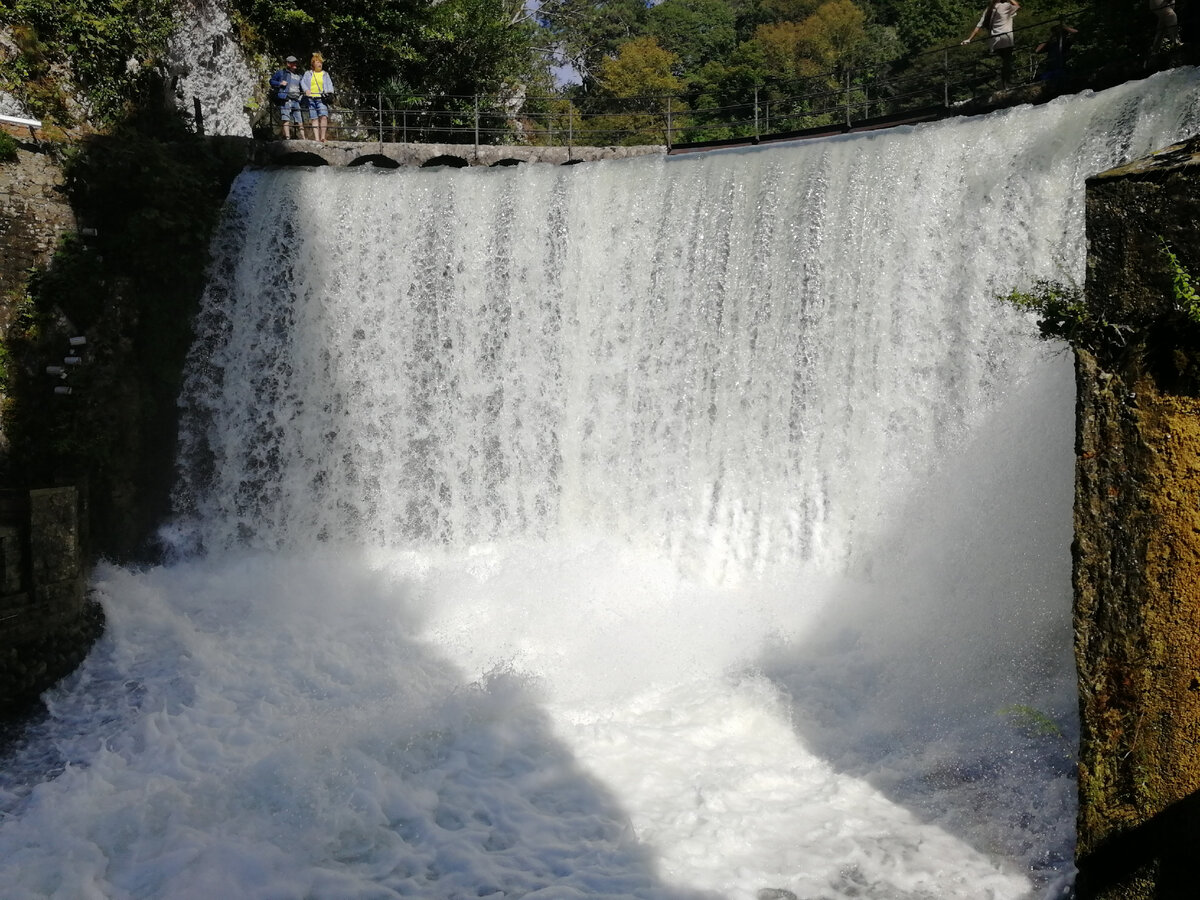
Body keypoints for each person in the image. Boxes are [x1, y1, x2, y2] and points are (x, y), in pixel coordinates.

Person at [962, 0, 1022, 89]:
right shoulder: (1005, 6)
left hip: (994, 41)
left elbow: (978, 26)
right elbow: (1018, 6)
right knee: (1008, 62)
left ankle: (1004, 83)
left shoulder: (988, 10)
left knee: (1004, 61)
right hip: (1006, 39)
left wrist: (969, 39)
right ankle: (1006, 83)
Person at [301, 53, 336, 143]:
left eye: (320, 62)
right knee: (314, 117)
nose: (319, 64)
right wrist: (306, 90)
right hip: (311, 97)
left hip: (321, 98)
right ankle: (316, 138)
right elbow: (303, 82)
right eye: (317, 62)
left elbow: (329, 84)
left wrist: (329, 92)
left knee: (324, 116)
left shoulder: (325, 74)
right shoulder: (308, 73)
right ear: (313, 64)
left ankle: (322, 137)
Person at [269, 55, 304, 140]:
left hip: (296, 100)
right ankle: (287, 137)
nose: (295, 64)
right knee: (286, 118)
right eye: (293, 62)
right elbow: (271, 81)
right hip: (286, 98)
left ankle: (304, 138)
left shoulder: (299, 75)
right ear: (288, 64)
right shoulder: (282, 73)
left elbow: (304, 86)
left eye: (295, 62)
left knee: (299, 120)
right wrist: (280, 83)